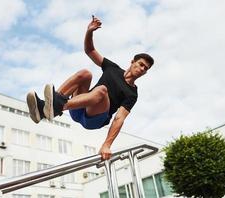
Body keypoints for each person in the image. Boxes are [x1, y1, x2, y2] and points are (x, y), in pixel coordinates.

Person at [26, 16, 154, 160]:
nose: (142, 69)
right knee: (85, 74)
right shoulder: (112, 68)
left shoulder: (132, 93)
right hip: (79, 108)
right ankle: (46, 110)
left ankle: (54, 107)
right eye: (141, 64)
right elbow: (90, 50)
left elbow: (119, 119)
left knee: (102, 90)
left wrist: (107, 145)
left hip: (95, 119)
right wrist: (89, 32)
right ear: (132, 62)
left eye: (145, 68)